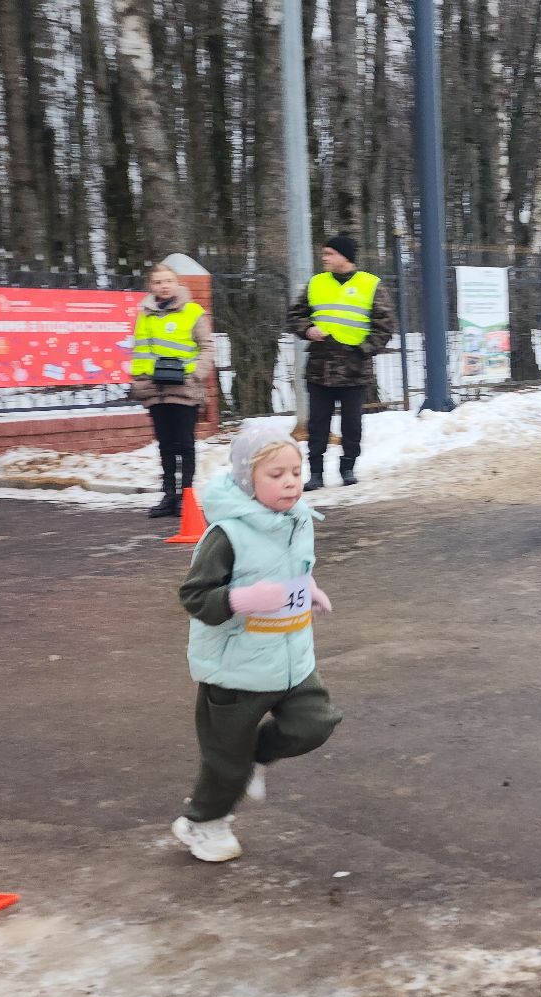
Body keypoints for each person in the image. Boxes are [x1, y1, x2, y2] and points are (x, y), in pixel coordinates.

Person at [172, 421, 340, 862]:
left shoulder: (298, 519)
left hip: (292, 658)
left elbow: (293, 568)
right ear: (249, 480)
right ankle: (202, 823)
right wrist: (241, 598)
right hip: (236, 668)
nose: (290, 482)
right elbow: (194, 596)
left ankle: (257, 757)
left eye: (295, 471)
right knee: (225, 762)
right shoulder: (225, 535)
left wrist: (310, 589)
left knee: (314, 722)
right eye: (275, 474)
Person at [287, 236, 396, 491]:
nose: (324, 258)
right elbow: (294, 316)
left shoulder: (370, 285)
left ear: (345, 256)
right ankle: (315, 473)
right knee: (317, 424)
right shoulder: (316, 283)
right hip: (320, 368)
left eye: (330, 253)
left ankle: (348, 468)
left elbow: (385, 325)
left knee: (351, 424)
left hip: (354, 369)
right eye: (324, 253)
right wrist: (308, 330)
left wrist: (363, 350)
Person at [130, 263, 214, 518]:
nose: (164, 286)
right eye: (158, 282)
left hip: (184, 390)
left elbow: (207, 346)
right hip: (156, 390)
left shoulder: (192, 312)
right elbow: (140, 350)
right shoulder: (145, 314)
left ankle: (186, 496)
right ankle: (169, 495)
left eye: (168, 281)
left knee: (185, 445)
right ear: (151, 286)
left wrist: (195, 375)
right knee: (165, 445)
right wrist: (141, 381)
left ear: (177, 284)